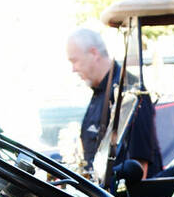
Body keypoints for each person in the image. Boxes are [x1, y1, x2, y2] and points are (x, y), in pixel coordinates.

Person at [66, 29, 161, 187]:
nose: (73, 69)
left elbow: (140, 166)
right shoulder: (100, 92)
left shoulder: (130, 91)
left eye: (74, 61)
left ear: (94, 53)